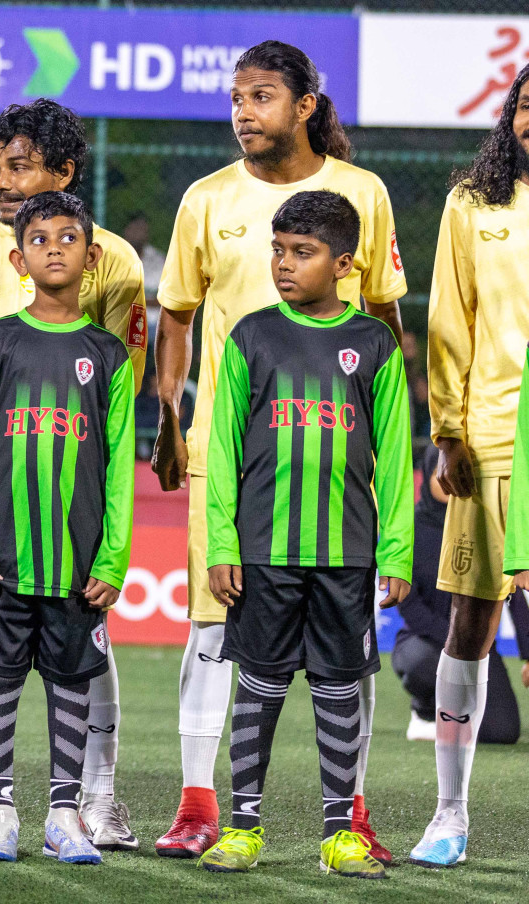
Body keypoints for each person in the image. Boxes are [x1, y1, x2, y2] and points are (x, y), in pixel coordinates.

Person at [152, 40, 407, 861]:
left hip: (334, 469)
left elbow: (386, 322)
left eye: (261, 96)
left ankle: (350, 814)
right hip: (231, 455)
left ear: (303, 106)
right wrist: (167, 414)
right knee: (210, 627)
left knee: (344, 661)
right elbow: (179, 316)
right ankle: (202, 805)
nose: (242, 112)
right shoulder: (205, 199)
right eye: (236, 98)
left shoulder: (359, 193)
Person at [0, 100, 146, 846]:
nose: (2, 183)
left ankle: (95, 799)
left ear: (64, 171)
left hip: (74, 481)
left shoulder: (111, 257)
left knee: (86, 631)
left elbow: (120, 371)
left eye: (19, 166)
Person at [196, 190, 411, 879]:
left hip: (345, 552)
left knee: (338, 689)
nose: (285, 264)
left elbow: (398, 456)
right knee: (257, 688)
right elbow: (223, 446)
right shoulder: (252, 336)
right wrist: (223, 543)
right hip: (263, 552)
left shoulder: (373, 343)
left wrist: (398, 549)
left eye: (304, 253)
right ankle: (243, 827)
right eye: (279, 251)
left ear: (344, 263)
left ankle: (339, 834)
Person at [0, 190, 134, 865]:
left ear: (92, 254)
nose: (53, 247)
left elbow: (118, 467)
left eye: (67, 236)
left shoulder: (107, 353)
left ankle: (64, 814)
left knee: (71, 683)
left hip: (75, 564)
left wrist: (111, 558)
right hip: (0, 556)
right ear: (17, 256)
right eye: (39, 238)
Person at [418, 62, 529, 866]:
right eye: (527, 106)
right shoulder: (474, 203)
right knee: (471, 624)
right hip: (490, 439)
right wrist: (446, 431)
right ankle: (448, 815)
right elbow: (448, 322)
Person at [394, 447, 521, 745]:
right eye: (442, 474)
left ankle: (451, 716)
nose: (449, 481)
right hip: (424, 641)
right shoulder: (408, 531)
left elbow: (509, 592)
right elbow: (409, 606)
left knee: (503, 733)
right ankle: (425, 712)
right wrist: (456, 639)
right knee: (420, 662)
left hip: (477, 647)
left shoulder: (481, 526)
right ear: (427, 476)